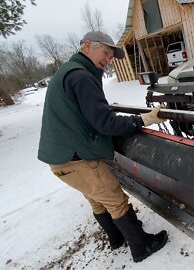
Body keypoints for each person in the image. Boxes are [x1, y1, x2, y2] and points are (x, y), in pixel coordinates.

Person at [38, 30, 168, 263]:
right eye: (106, 53)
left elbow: (86, 114)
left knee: (96, 198)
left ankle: (116, 238)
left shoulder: (66, 72)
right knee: (114, 199)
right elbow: (104, 123)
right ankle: (141, 246)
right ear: (87, 45)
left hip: (58, 159)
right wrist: (144, 120)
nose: (108, 60)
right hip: (76, 157)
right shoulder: (81, 77)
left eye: (111, 57)